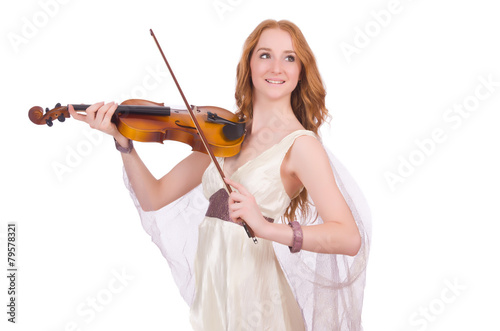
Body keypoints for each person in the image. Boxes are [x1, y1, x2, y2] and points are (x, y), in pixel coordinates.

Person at [69, 19, 371, 331]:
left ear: (300, 71)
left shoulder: (301, 146)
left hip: (260, 302)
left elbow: (349, 238)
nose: (277, 67)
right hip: (214, 298)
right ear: (249, 64)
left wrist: (267, 229)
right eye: (265, 55)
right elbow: (153, 197)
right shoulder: (224, 134)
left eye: (289, 57)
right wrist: (124, 142)